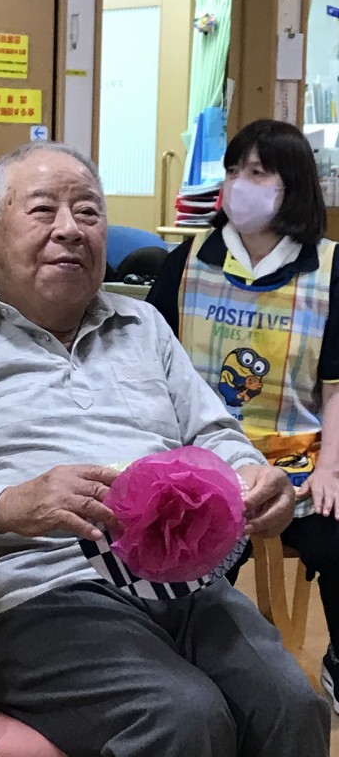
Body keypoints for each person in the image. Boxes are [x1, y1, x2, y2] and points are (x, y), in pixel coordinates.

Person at [0, 142, 330, 757]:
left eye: (88, 211)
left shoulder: (144, 326)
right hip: (35, 594)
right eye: (43, 210)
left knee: (293, 705)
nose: (70, 229)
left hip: (182, 583)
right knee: (181, 716)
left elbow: (212, 432)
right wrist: (8, 503)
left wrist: (249, 473)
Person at [147, 118, 339, 714]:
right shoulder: (187, 261)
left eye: (257, 172)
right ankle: (182, 673)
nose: (238, 184)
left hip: (296, 463)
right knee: (186, 561)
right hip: (200, 463)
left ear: (292, 186)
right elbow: (145, 362)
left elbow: (336, 385)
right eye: (233, 171)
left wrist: (330, 469)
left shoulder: (328, 269)